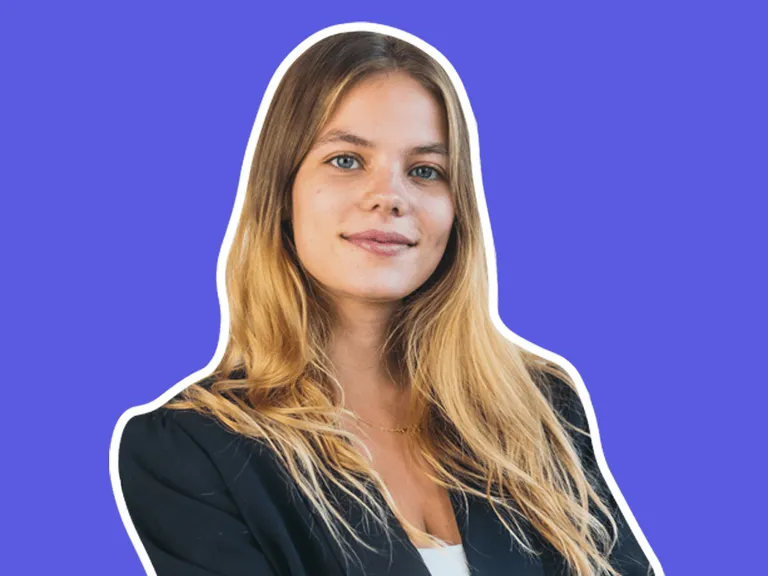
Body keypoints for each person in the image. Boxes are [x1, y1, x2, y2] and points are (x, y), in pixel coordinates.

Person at [116, 28, 657, 576]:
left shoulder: (538, 408)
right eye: (346, 160)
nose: (389, 198)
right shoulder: (192, 450)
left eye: (425, 171)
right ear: (282, 192)